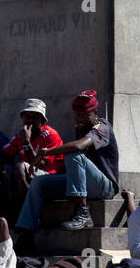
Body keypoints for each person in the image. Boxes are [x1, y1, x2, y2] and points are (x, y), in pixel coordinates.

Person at [14, 89, 118, 243]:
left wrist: (45, 152)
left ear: (95, 112)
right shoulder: (80, 129)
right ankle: (26, 233)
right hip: (84, 183)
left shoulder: (102, 126)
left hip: (104, 187)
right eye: (77, 114)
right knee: (39, 183)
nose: (80, 118)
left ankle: (83, 212)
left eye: (85, 115)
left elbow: (79, 147)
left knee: (73, 153)